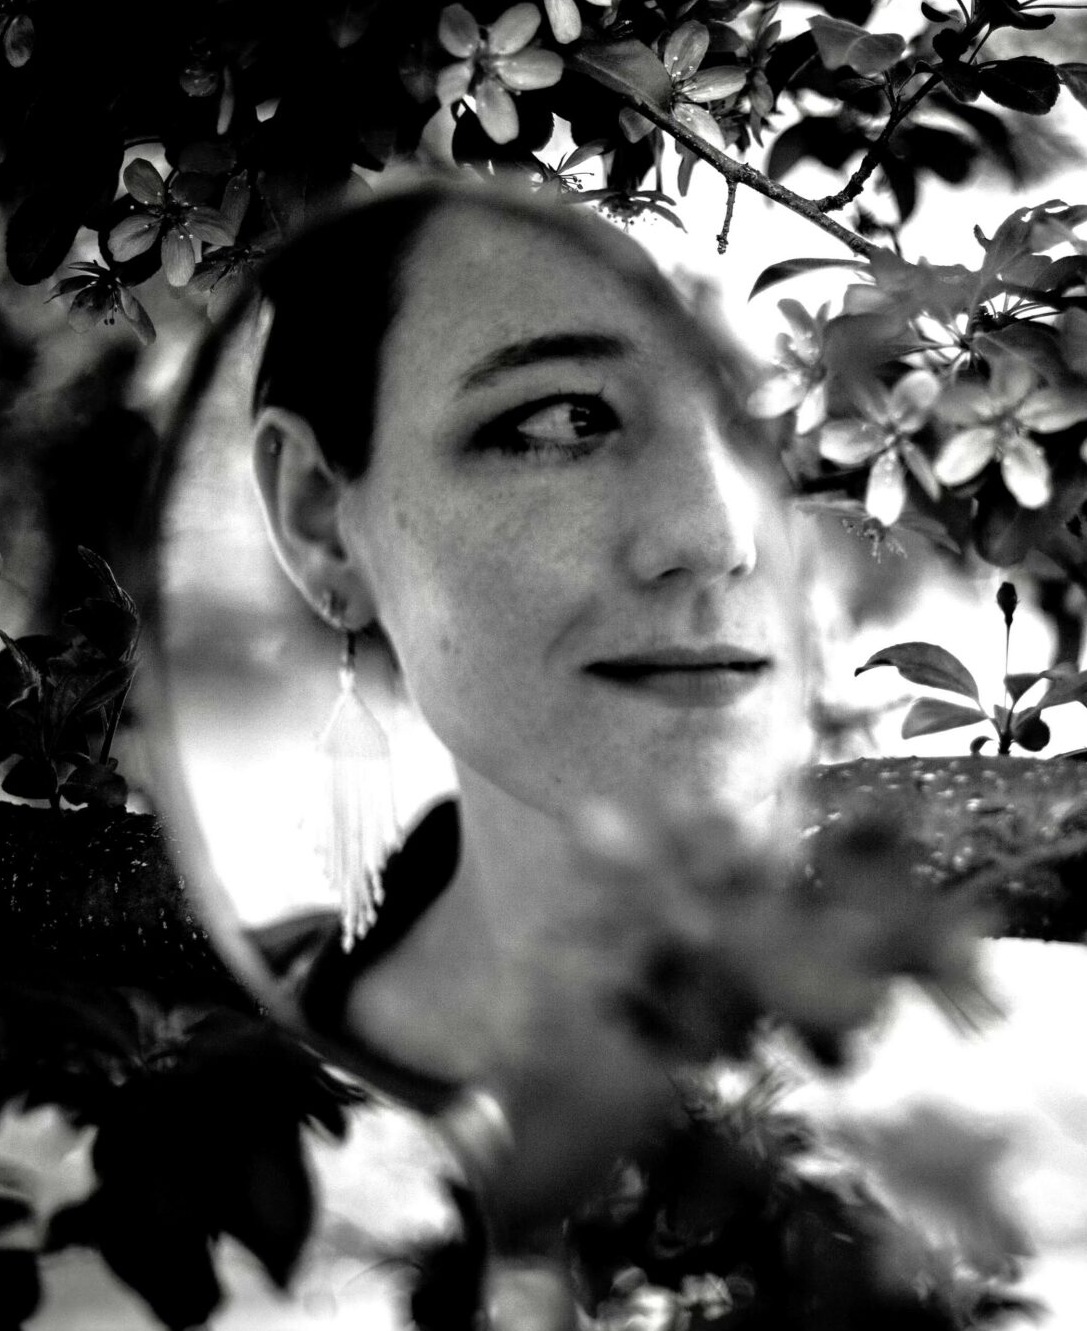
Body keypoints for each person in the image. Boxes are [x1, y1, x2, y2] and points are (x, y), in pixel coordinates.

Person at [242, 180, 818, 1243]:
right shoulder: (256, 1092)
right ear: (322, 514)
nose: (718, 537)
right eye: (567, 420)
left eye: (769, 423)